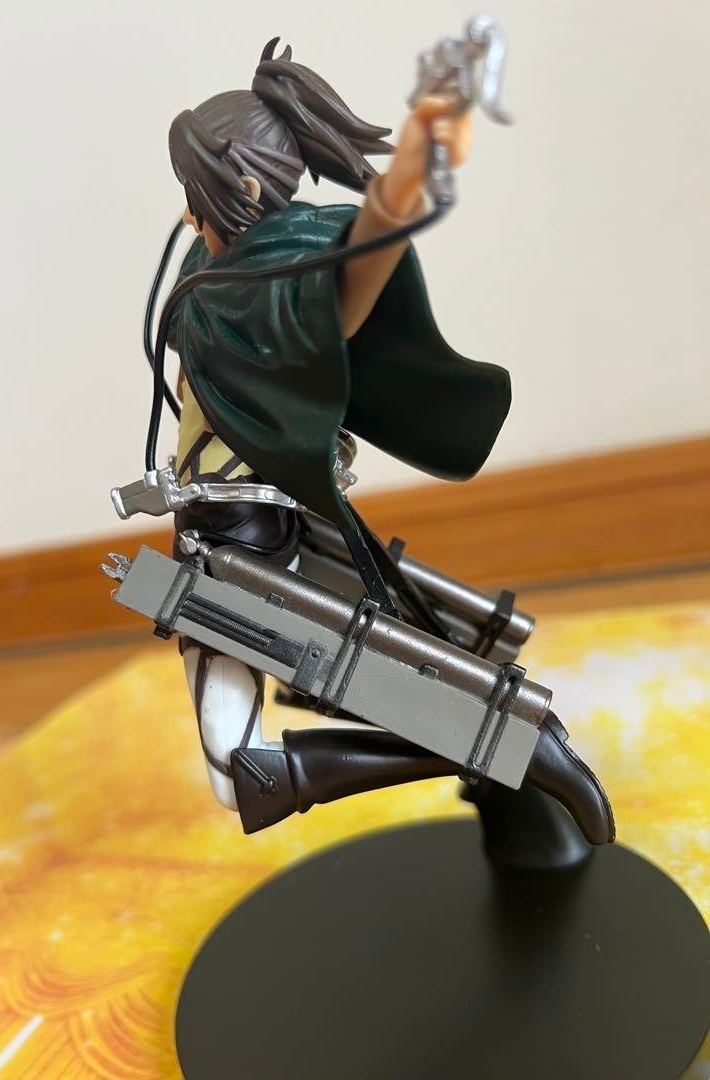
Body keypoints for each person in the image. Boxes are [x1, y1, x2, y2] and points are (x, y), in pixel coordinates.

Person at [162, 39, 614, 854]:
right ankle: (506, 759)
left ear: (244, 189)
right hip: (219, 536)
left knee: (237, 774)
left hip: (240, 551)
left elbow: (362, 256)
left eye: (196, 195)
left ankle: (509, 748)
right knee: (277, 741)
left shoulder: (271, 288)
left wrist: (410, 165)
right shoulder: (216, 271)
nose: (188, 214)